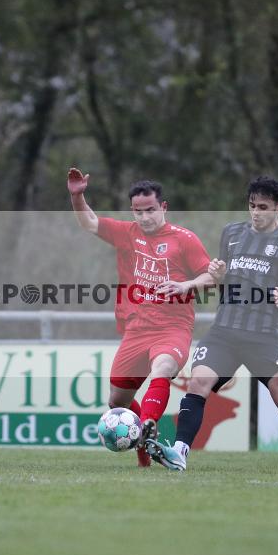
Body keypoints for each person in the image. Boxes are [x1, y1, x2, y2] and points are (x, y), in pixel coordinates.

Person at [147, 176, 278, 473]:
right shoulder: (232, 233)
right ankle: (179, 452)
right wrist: (204, 277)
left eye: (263, 207)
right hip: (224, 331)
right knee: (198, 383)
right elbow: (218, 278)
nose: (256, 212)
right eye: (252, 205)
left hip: (263, 336)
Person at [67, 168, 213, 467]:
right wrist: (77, 195)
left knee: (163, 367)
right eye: (138, 212)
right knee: (116, 402)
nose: (144, 218)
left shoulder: (184, 239)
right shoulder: (127, 233)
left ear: (164, 208)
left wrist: (186, 285)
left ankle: (147, 422)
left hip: (173, 328)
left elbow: (211, 276)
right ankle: (146, 452)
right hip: (137, 330)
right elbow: (89, 222)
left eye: (150, 211)